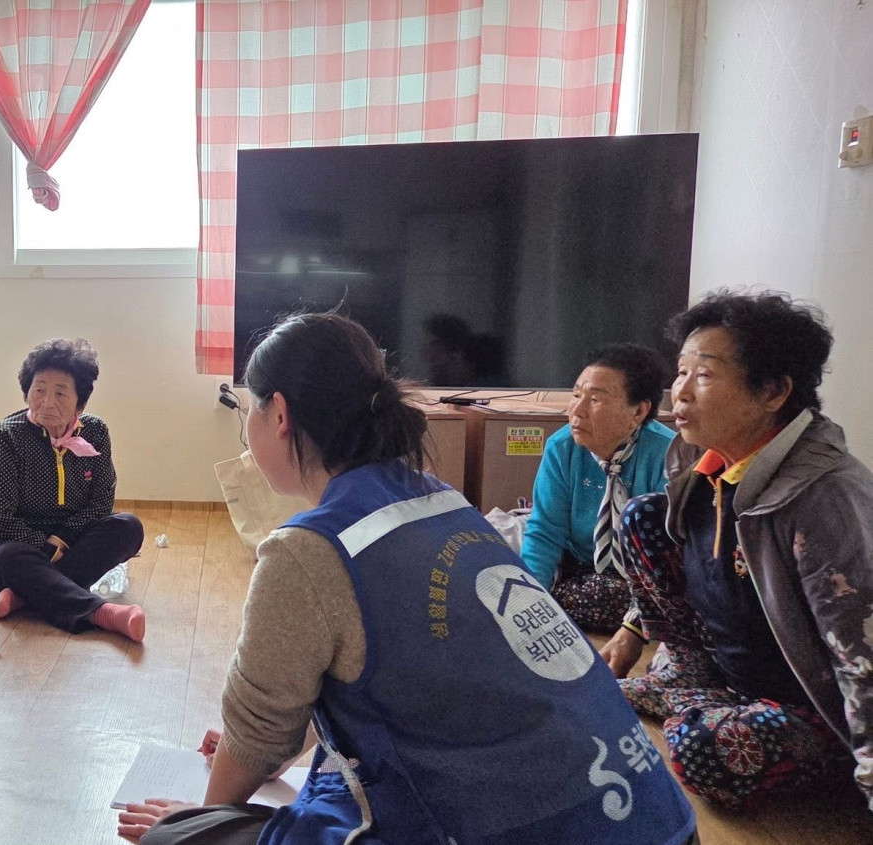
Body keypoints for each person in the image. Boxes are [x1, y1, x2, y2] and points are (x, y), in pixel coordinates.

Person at [120, 313, 695, 845]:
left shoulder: (306, 549)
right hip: (661, 822)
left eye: (250, 409)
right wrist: (278, 750)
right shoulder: (441, 499)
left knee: (172, 838)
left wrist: (200, 822)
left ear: (279, 415)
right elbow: (400, 676)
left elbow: (258, 730)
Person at [597, 291, 873, 811]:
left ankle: (701, 706)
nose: (679, 391)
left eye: (702, 375)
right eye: (680, 372)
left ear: (773, 391)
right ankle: (690, 680)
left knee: (700, 749)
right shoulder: (697, 459)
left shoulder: (826, 496)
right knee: (643, 516)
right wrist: (634, 629)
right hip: (732, 670)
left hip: (810, 707)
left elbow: (864, 662)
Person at [0, 338, 147, 641]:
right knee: (13, 558)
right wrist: (45, 547)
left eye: (61, 393)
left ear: (81, 402)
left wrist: (62, 539)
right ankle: (101, 613)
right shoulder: (4, 438)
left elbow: (101, 502)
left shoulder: (96, 431)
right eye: (39, 390)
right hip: (7, 545)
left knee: (128, 527)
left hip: (70, 541)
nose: (47, 402)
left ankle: (26, 595)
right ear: (27, 391)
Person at [521, 344, 674, 632]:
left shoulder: (667, 453)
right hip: (578, 564)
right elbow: (545, 531)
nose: (577, 410)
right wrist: (528, 603)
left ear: (638, 411)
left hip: (644, 577)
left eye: (595, 400)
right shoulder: (561, 447)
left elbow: (669, 547)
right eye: (576, 395)